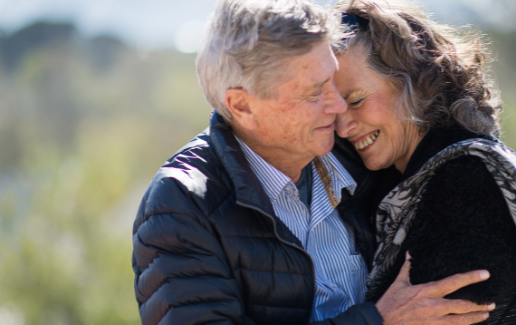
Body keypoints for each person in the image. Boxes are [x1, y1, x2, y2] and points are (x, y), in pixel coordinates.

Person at [131, 0, 495, 324]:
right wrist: (380, 321)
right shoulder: (180, 206)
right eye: (314, 92)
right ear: (242, 105)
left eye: (332, 82)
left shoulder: (360, 153)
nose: (338, 107)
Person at [332, 0, 516, 324]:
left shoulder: (467, 182)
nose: (343, 127)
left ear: (413, 83)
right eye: (333, 109)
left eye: (356, 100)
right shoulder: (408, 178)